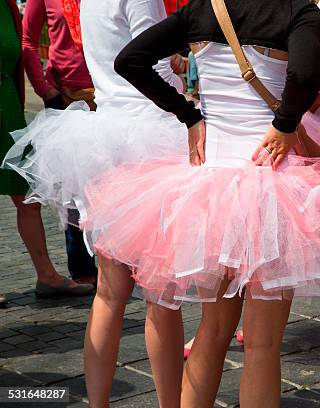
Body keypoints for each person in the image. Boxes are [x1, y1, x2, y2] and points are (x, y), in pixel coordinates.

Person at [78, 0, 320, 405]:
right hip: (274, 188)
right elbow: (303, 75)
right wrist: (284, 124)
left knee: (211, 332)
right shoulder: (299, 12)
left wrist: (188, 116)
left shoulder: (205, 8)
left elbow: (130, 59)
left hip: (211, 188)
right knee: (262, 346)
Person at [3, 0, 188, 406]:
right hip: (148, 136)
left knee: (109, 290)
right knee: (160, 296)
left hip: (107, 134)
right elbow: (148, 63)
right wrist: (187, 102)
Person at [0, 0, 93, 300]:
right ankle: (76, 268)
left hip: (10, 105)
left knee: (28, 195)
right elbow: (29, 39)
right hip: (60, 97)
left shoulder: (7, 5)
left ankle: (51, 276)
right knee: (66, 192)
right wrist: (46, 90)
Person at [21, 0, 99, 286]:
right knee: (73, 189)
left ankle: (121, 266)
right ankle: (83, 271)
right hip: (66, 98)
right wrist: (45, 89)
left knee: (116, 183)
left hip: (109, 96)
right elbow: (27, 40)